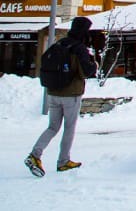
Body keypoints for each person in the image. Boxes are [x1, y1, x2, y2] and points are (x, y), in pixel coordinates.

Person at [25, 16, 98, 176]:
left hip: (53, 92)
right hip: (70, 93)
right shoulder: (79, 48)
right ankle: (63, 161)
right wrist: (94, 63)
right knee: (69, 128)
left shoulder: (60, 43)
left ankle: (35, 154)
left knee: (52, 127)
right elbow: (87, 71)